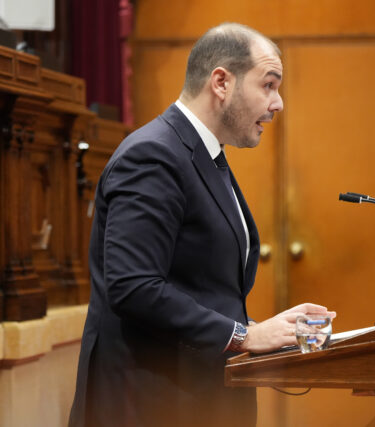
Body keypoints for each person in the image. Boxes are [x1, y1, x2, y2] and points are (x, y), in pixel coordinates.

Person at [68, 23, 335, 427]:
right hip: (149, 404)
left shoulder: (203, 155)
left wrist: (266, 331)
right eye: (268, 85)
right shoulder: (153, 155)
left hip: (194, 398)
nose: (278, 103)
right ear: (221, 82)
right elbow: (133, 286)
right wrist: (244, 336)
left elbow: (199, 289)